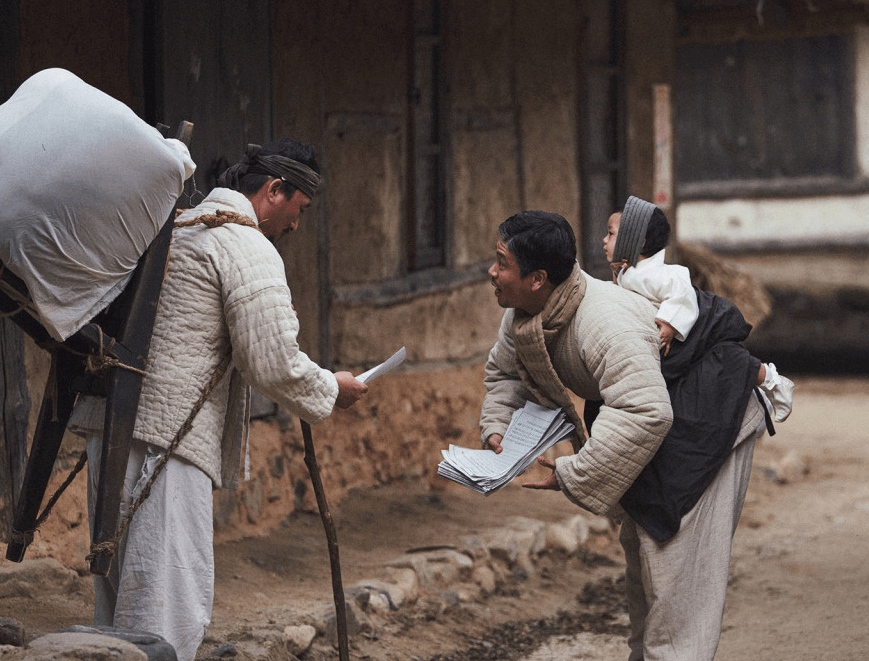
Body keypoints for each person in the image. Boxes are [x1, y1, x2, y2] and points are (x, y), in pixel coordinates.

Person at [68, 138, 369, 661]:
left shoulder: (173, 227)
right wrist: (331, 389)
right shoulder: (245, 247)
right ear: (276, 190)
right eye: (300, 209)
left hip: (113, 427)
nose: (297, 226)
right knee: (165, 602)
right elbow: (273, 362)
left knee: (120, 595)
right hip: (169, 442)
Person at [481, 210, 768, 661]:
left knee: (675, 577)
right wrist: (497, 427)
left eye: (501, 263)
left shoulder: (604, 322)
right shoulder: (525, 314)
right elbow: (506, 370)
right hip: (662, 413)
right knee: (644, 562)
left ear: (537, 278)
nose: (492, 273)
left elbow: (645, 412)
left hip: (711, 414)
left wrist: (574, 473)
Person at [603, 195, 794, 423]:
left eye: (611, 234)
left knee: (722, 359)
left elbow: (682, 291)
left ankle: (771, 379)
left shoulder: (657, 273)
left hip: (702, 320)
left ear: (640, 241)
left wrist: (668, 323)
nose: (604, 240)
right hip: (680, 330)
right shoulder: (629, 272)